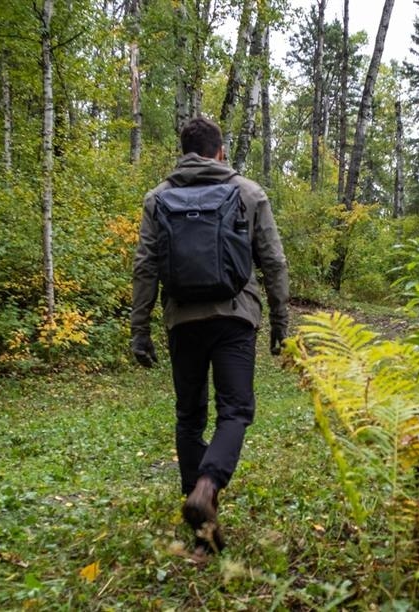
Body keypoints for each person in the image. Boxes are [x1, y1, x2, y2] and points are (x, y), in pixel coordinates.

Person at [130, 117, 289, 556]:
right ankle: (208, 486)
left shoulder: (157, 198)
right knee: (234, 410)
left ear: (184, 152)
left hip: (182, 320)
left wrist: (139, 329)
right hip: (235, 317)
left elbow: (145, 267)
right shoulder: (248, 192)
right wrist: (280, 320)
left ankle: (201, 530)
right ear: (220, 151)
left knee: (189, 417)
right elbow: (273, 260)